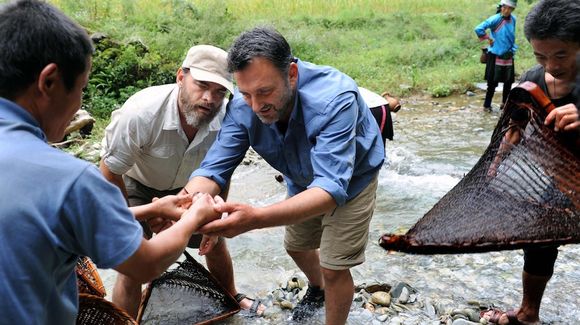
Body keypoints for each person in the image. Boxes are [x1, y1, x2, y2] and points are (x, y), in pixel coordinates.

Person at [0, 0, 222, 323]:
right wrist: (194, 217)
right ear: (48, 82)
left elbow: (47, 215)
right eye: (81, 89)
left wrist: (150, 210)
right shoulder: (70, 180)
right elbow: (146, 262)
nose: (79, 104)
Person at [183, 27, 385, 325]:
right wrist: (186, 203)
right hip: (300, 176)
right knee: (297, 246)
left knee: (333, 265)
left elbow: (330, 188)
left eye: (265, 92)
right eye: (246, 93)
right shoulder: (242, 106)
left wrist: (255, 218)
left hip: (353, 178)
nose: (255, 105)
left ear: (291, 73)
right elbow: (215, 168)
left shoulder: (335, 97)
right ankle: (318, 289)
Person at [99, 45, 262, 317]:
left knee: (215, 237)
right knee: (133, 259)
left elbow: (222, 170)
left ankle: (232, 295)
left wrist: (217, 208)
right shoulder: (141, 113)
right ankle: (123, 320)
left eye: (220, 91)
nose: (209, 98)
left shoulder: (226, 120)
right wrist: (131, 224)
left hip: (193, 186)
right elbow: (109, 172)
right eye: (201, 85)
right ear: (180, 77)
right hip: (135, 184)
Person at [482, 0, 579, 324]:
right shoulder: (533, 81)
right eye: (541, 56)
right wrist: (495, 167)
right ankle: (527, 313)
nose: (551, 65)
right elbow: (514, 131)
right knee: (538, 240)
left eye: (561, 55)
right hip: (563, 179)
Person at [475, 0, 518, 111]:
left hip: (508, 55)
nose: (506, 10)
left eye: (509, 8)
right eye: (505, 7)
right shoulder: (495, 19)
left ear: (513, 9)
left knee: (508, 83)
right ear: (501, 7)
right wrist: (488, 38)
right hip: (495, 55)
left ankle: (505, 104)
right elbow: (478, 28)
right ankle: (486, 105)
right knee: (492, 83)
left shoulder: (513, 19)